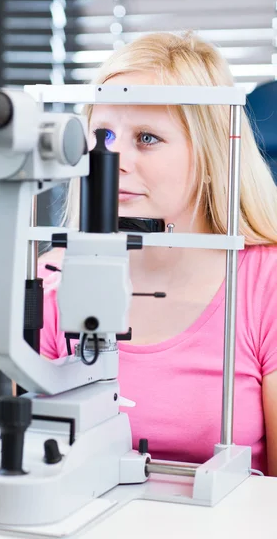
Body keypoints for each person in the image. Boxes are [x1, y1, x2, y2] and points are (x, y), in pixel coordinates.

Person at [37, 31, 277, 476]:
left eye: (147, 138)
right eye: (103, 133)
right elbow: (35, 450)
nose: (114, 157)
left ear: (210, 156)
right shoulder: (55, 272)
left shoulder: (268, 283)